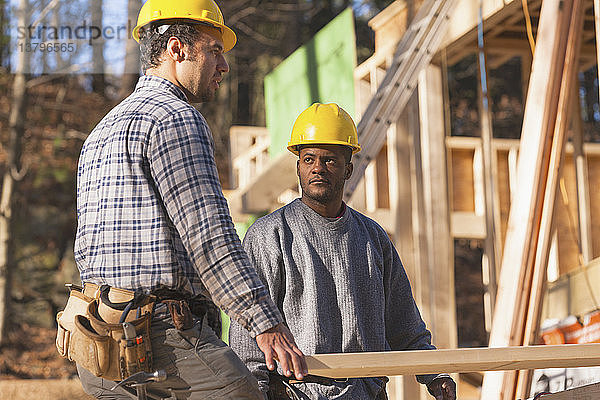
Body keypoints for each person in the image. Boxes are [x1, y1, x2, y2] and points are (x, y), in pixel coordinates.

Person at [74, 0, 306, 398]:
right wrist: (265, 323)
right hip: (160, 339)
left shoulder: (102, 129)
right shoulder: (176, 118)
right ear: (178, 49)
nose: (224, 65)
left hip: (98, 343)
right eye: (214, 50)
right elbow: (210, 239)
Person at [229, 103, 456, 400]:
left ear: (348, 169)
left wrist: (434, 374)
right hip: (297, 394)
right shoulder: (269, 236)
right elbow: (248, 337)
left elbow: (404, 324)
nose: (317, 168)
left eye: (330, 161)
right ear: (298, 166)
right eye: (308, 159)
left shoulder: (372, 238)